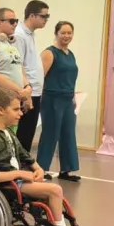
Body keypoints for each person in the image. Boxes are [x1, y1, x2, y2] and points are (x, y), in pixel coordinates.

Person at [0, 89, 89, 226]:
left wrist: (37, 168)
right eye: (16, 109)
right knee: (55, 190)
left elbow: (23, 154)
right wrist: (19, 174)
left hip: (16, 180)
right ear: (1, 110)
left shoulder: (7, 131)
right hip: (6, 185)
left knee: (53, 195)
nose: (21, 113)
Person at [37, 21, 81, 181]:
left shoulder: (70, 54)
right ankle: (41, 168)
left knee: (68, 133)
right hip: (52, 99)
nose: (67, 36)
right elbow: (39, 78)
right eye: (63, 33)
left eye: (69, 33)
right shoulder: (49, 53)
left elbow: (70, 78)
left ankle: (66, 170)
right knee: (50, 133)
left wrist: (73, 97)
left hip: (68, 99)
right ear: (56, 33)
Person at [0, 8, 31, 126]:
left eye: (16, 21)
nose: (15, 24)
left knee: (11, 136)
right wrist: (19, 91)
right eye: (12, 21)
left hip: (14, 99)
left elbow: (19, 69)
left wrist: (27, 88)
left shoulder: (11, 44)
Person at [13, 0, 50, 152]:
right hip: (27, 92)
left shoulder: (30, 34)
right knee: (23, 135)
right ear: (32, 15)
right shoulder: (19, 35)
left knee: (27, 135)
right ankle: (17, 165)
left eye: (47, 16)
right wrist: (26, 91)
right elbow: (17, 65)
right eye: (44, 16)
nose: (46, 19)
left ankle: (22, 163)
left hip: (34, 91)